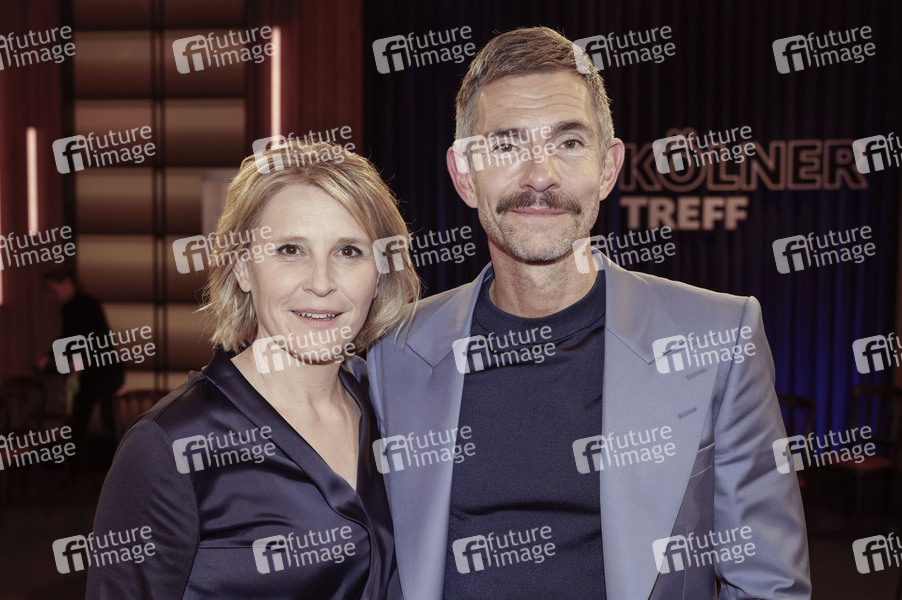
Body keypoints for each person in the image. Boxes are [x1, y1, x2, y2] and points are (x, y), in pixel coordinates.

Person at [367, 27, 811, 599]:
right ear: (463, 176)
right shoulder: (393, 353)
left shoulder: (720, 338)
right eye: (505, 145)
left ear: (607, 168)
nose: (540, 174)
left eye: (569, 142)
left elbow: (768, 583)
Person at [87, 142, 419, 599]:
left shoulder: (392, 406)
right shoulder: (170, 444)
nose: (321, 282)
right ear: (244, 268)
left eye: (348, 251)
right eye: (290, 250)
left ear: (379, 273)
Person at [42, 269, 123, 471]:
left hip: (103, 369)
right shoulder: (72, 306)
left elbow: (88, 338)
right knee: (81, 418)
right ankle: (79, 469)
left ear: (67, 283)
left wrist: (74, 361)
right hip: (94, 369)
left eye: (54, 290)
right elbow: (70, 338)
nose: (54, 295)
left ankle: (110, 466)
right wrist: (53, 357)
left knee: (97, 418)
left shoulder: (85, 304)